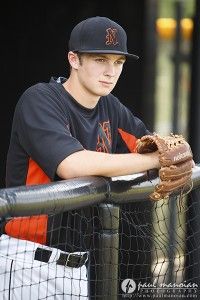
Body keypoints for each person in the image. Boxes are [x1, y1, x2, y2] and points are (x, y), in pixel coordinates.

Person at [2, 16, 160, 299]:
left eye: (118, 62)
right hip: (27, 261)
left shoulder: (110, 107)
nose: (111, 71)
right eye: (100, 59)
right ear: (74, 60)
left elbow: (152, 144)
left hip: (78, 267)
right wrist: (154, 162)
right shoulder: (40, 99)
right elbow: (72, 165)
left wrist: (170, 150)